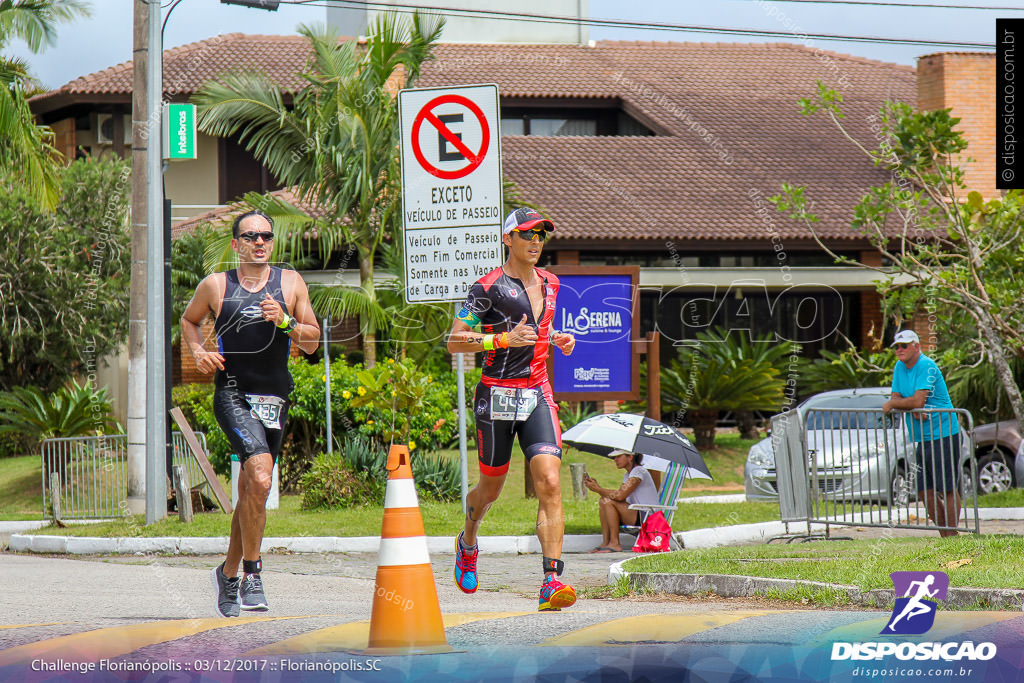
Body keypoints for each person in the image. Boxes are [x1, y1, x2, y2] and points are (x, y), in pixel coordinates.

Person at [181, 211, 320, 617]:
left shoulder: (291, 283)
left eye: (266, 236)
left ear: (272, 243)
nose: (259, 242)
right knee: (259, 476)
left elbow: (311, 342)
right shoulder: (216, 286)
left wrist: (287, 321)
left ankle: (226, 574)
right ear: (236, 245)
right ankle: (252, 574)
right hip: (233, 393)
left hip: (275, 398)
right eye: (250, 236)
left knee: (251, 491)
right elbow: (189, 322)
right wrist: (197, 352)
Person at [446, 207, 577, 612]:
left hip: (537, 391)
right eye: (527, 234)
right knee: (491, 489)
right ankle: (468, 540)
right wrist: (501, 341)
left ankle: (551, 581)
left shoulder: (553, 283)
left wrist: (557, 338)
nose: (536, 241)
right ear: (508, 240)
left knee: (550, 482)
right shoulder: (486, 288)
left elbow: (537, 329)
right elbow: (455, 341)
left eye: (542, 234)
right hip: (495, 395)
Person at [881, 329, 961, 537]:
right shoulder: (899, 367)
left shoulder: (926, 365)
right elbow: (898, 396)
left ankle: (952, 535)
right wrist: (910, 407)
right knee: (924, 491)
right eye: (897, 346)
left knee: (947, 488)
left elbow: (913, 401)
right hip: (921, 438)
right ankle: (946, 535)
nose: (899, 350)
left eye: (904, 346)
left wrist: (898, 404)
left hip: (943, 433)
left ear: (916, 346)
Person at [582, 450, 659, 553]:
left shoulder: (639, 471)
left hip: (648, 517)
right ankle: (606, 542)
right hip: (638, 514)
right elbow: (619, 496)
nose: (615, 460)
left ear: (630, 457)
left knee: (607, 501)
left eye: (618, 456)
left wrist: (598, 489)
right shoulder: (628, 475)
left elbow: (620, 496)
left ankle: (615, 544)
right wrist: (598, 489)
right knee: (604, 500)